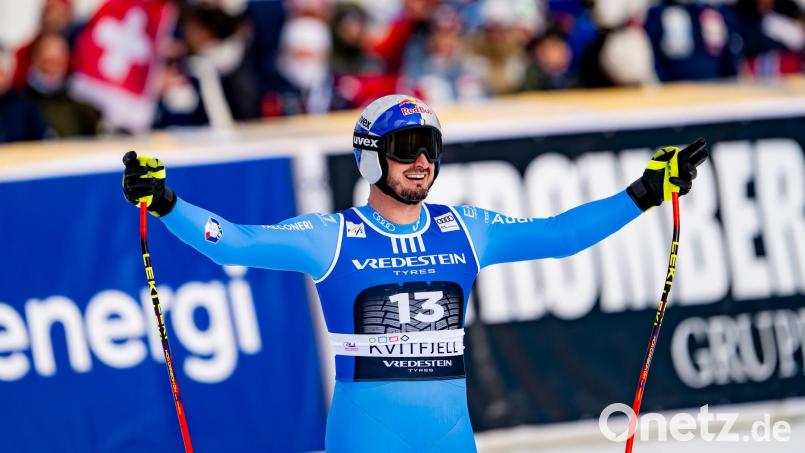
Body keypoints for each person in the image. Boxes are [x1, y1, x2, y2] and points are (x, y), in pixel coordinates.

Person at [121, 94, 708, 452]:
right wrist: (168, 202)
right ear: (372, 155)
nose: (422, 161)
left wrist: (645, 192)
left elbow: (558, 237)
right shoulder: (334, 236)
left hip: (451, 436)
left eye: (429, 146)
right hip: (367, 434)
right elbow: (235, 244)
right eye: (405, 148)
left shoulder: (463, 228)